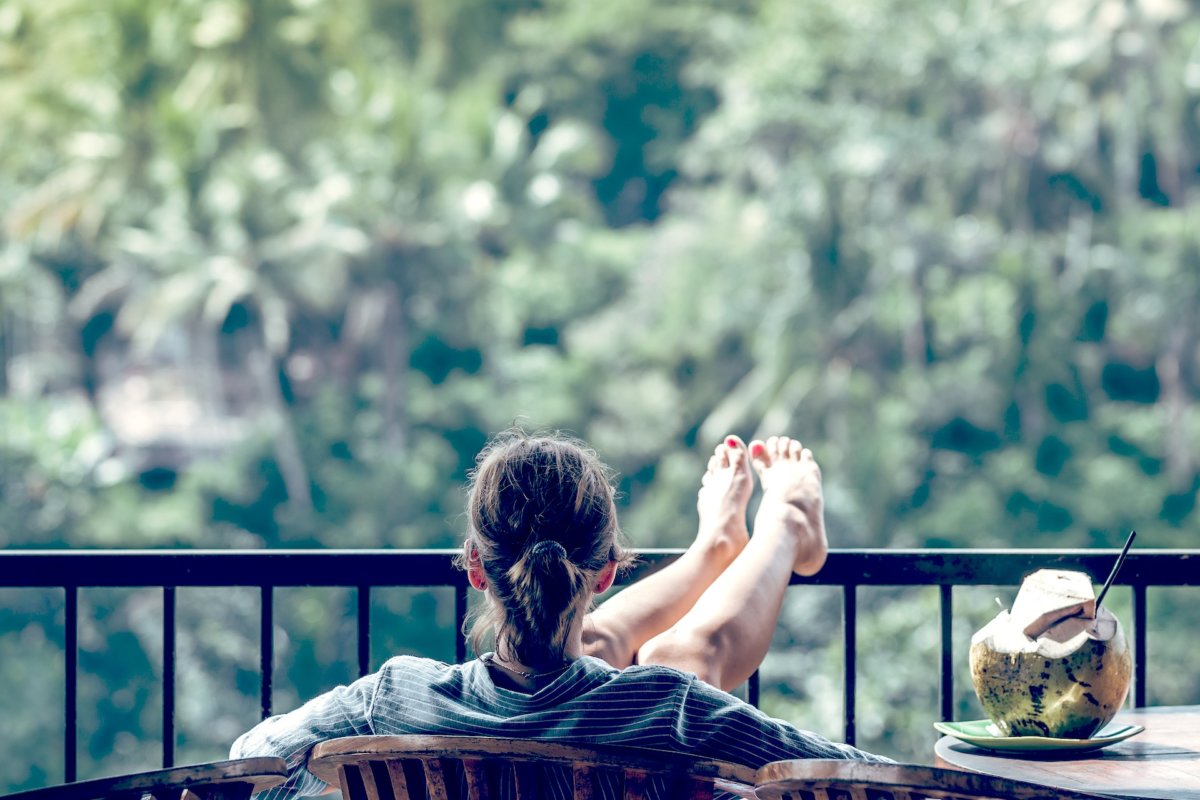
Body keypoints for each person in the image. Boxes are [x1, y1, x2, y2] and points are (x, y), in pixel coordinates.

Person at [231, 430, 887, 799]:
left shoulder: (393, 700)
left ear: (475, 566)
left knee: (640, 657)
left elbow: (252, 760)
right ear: (606, 572)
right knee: (672, 661)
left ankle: (721, 546)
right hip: (641, 702)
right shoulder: (672, 710)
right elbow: (855, 779)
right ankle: (774, 525)